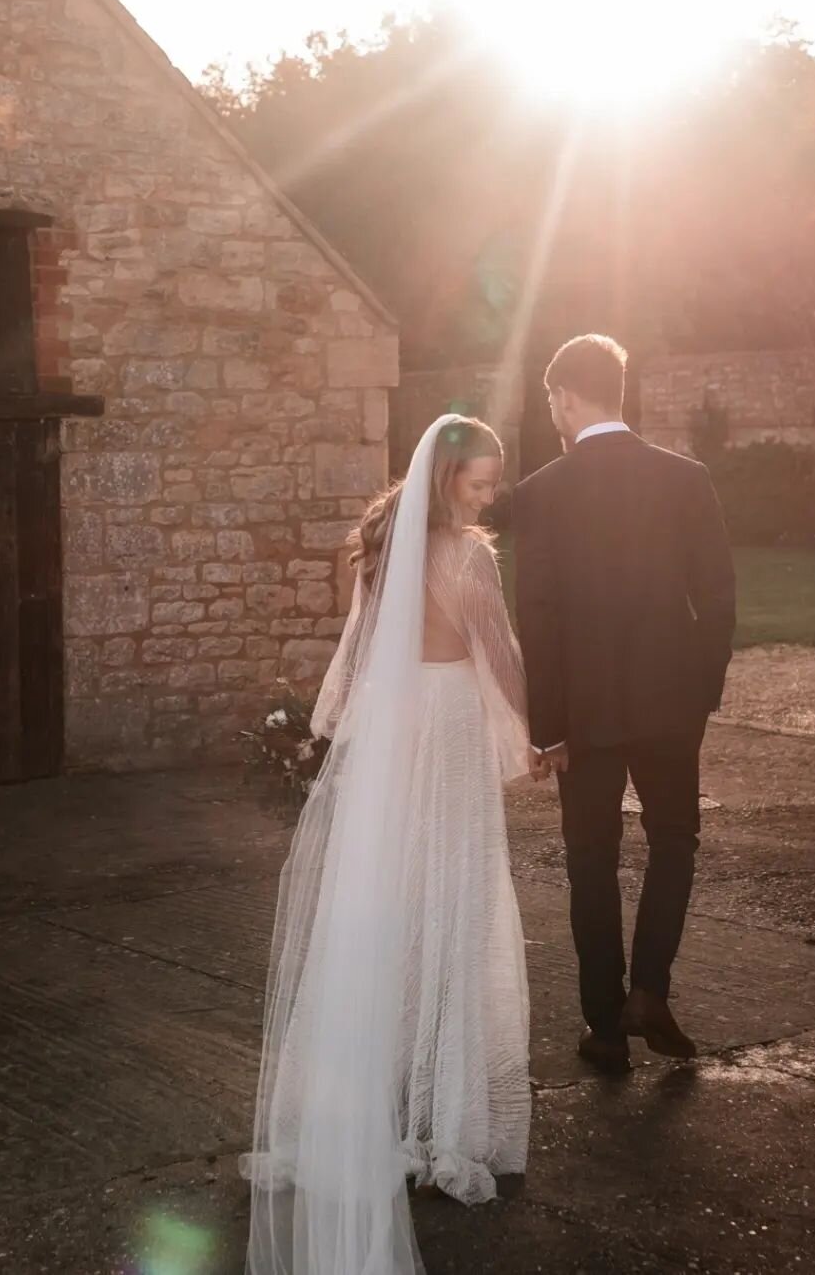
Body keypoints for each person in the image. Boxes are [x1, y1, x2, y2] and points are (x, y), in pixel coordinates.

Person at [241, 415, 534, 1274]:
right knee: (452, 899)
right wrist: (533, 732)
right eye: (479, 484)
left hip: (394, 724)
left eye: (492, 483)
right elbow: (499, 651)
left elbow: (361, 647)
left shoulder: (385, 545)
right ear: (447, 480)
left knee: (386, 903)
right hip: (443, 725)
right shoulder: (468, 555)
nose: (489, 498)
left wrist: (335, 724)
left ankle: (367, 1100)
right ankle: (442, 1118)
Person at [514, 335, 735, 1075]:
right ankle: (649, 989)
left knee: (591, 860)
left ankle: (605, 1027)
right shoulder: (686, 478)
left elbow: (536, 617)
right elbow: (719, 597)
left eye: (551, 401)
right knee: (674, 842)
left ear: (568, 397)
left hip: (583, 713)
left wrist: (547, 729)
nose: (553, 413)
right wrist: (700, 691)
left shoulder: (542, 490)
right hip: (673, 704)